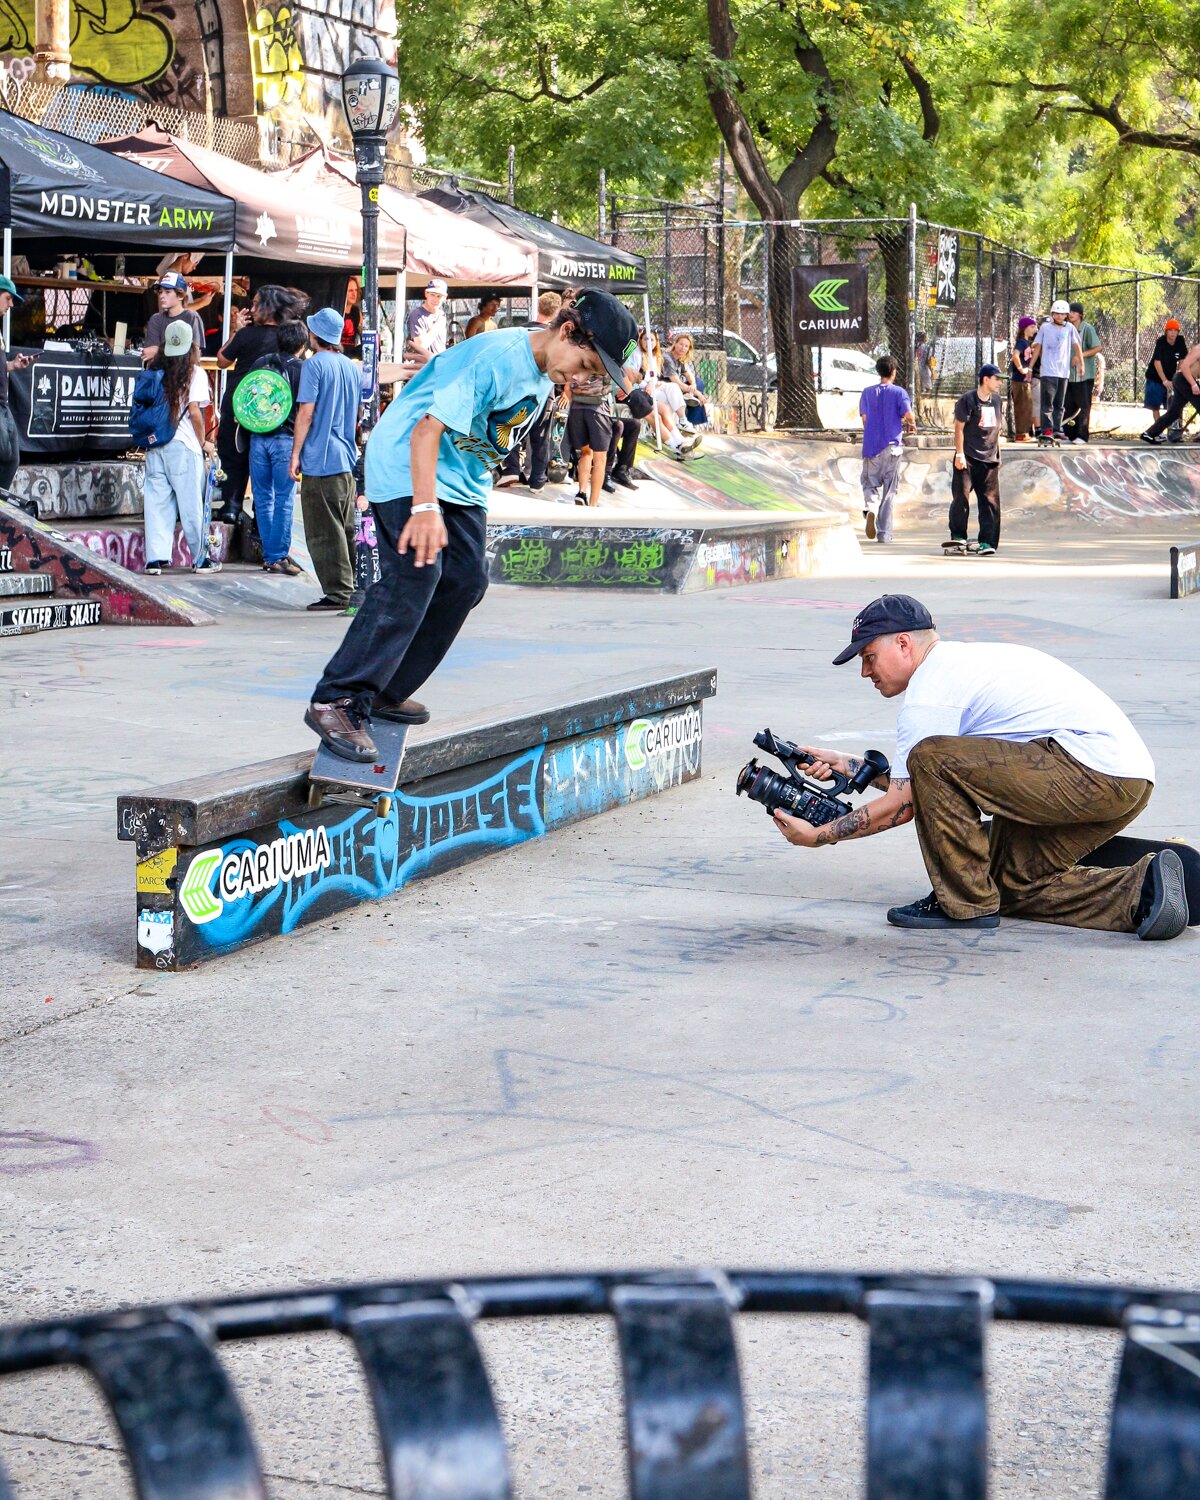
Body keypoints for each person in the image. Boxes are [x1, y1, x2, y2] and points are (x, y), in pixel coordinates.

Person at [304, 288, 639, 761]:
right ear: (566, 331)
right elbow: (427, 429)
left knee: (466, 580)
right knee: (416, 573)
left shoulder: (542, 373)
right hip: (406, 462)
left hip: (460, 482)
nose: (581, 378)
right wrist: (424, 507)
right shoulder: (499, 357)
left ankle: (386, 689)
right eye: (584, 365)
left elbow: (481, 436)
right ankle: (336, 699)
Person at [771, 594, 1188, 941]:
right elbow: (933, 784)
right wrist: (850, 766)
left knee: (931, 757)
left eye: (869, 657)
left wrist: (818, 836)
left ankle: (964, 904)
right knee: (1013, 885)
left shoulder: (931, 689)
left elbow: (906, 802)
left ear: (903, 644)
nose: (865, 672)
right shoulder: (962, 665)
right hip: (1126, 778)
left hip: (1087, 771)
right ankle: (1144, 891)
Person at [289, 307, 362, 611]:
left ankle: (338, 591)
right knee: (345, 528)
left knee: (323, 530)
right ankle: (351, 585)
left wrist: (295, 454)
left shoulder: (313, 365)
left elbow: (306, 412)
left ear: (315, 334)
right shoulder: (351, 367)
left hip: (320, 457)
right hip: (346, 456)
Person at [214, 284, 299, 524]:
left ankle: (231, 506)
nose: (251, 309)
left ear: (267, 307)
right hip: (273, 407)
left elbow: (222, 360)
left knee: (233, 453)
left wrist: (236, 331)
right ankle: (262, 518)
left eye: (254, 304)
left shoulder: (246, 335)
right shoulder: (286, 336)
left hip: (241, 401)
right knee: (264, 459)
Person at [141, 322, 220, 576]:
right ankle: (200, 559)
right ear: (191, 346)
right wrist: (203, 442)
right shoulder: (195, 373)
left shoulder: (154, 370)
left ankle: (155, 560)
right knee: (191, 505)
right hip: (184, 446)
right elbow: (195, 412)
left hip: (155, 445)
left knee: (156, 504)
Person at [247, 319, 307, 576]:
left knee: (263, 498)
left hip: (257, 437)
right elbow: (306, 410)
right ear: (302, 345)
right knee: (284, 498)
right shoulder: (302, 369)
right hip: (285, 439)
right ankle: (277, 556)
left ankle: (270, 556)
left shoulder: (260, 364)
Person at [947, 364, 1004, 556]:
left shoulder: (997, 401)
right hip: (968, 457)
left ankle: (987, 542)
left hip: (989, 458)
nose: (999, 383)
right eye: (996, 379)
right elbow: (959, 428)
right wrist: (959, 454)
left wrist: (999, 454)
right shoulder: (968, 400)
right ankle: (958, 536)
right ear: (985, 379)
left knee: (990, 502)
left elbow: (997, 429)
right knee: (961, 498)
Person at [858, 355, 915, 544]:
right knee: (890, 491)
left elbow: (865, 419)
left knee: (869, 484)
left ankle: (871, 508)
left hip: (871, 447)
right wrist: (911, 424)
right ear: (893, 372)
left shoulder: (867, 392)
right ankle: (884, 534)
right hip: (893, 448)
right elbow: (908, 414)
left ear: (879, 371)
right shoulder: (899, 392)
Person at [0, 276, 35, 490]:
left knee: (12, 457)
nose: (11, 304)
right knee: (3, 452)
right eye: (8, 298)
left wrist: (12, 365)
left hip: (3, 403)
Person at [1029, 300, 1084, 439]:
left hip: (1063, 372)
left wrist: (1081, 364)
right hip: (1048, 371)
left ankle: (1057, 428)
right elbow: (1038, 347)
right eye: (1057, 313)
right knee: (1047, 403)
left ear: (1066, 315)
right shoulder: (1045, 328)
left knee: (1059, 403)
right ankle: (1047, 430)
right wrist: (1030, 368)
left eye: (1062, 314)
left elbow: (1077, 346)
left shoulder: (1069, 328)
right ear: (1052, 314)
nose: (1059, 316)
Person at [565, 367, 613, 506]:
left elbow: (568, 386)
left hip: (577, 408)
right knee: (600, 460)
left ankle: (582, 492)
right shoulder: (608, 359)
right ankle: (593, 504)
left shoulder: (578, 358)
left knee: (585, 453)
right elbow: (626, 386)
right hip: (599, 409)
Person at [1141, 342, 1200, 444]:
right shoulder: (1198, 349)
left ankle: (1149, 434)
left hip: (1185, 380)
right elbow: (1184, 366)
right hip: (1183, 379)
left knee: (1173, 413)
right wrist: (1193, 384)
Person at [141, 273, 206, 364]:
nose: (161, 296)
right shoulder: (156, 319)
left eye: (167, 292)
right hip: (161, 370)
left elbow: (194, 353)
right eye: (160, 292)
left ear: (180, 295)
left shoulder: (192, 317)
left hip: (185, 370)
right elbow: (150, 354)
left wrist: (158, 351)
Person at [1063, 302, 1103, 444]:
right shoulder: (1066, 328)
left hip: (1084, 375)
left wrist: (1080, 356)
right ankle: (1069, 435)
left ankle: (1082, 436)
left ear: (1080, 314)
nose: (1070, 314)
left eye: (1074, 312)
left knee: (1084, 405)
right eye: (1069, 312)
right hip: (1068, 374)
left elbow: (1097, 347)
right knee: (1069, 405)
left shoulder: (1087, 329)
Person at [1142, 319, 1188, 424]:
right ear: (1166, 331)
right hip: (1156, 377)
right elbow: (1157, 362)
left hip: (1171, 377)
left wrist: (1177, 377)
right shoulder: (1161, 342)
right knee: (1155, 406)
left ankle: (1173, 428)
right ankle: (1158, 428)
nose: (1173, 333)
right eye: (1170, 330)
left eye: (1175, 330)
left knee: (1173, 404)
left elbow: (1182, 360)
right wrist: (1164, 380)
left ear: (1178, 332)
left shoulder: (1180, 341)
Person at [663, 333, 707, 427]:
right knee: (698, 392)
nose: (683, 348)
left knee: (698, 382)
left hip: (680, 386)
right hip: (669, 387)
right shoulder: (667, 359)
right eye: (681, 344)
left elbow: (689, 375)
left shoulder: (680, 358)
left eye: (686, 346)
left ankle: (689, 398)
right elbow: (676, 382)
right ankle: (690, 422)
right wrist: (697, 393)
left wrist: (693, 385)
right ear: (675, 343)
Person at [405, 279, 449, 367]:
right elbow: (421, 345)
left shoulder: (441, 315)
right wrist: (437, 326)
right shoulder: (417, 314)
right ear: (426, 294)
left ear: (445, 298)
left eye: (439, 296)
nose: (435, 299)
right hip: (423, 367)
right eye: (432, 295)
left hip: (440, 365)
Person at [1009, 316, 1036, 440]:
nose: (1034, 329)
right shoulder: (1021, 342)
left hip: (1025, 381)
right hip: (1019, 381)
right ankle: (1021, 434)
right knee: (1022, 407)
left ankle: (1025, 432)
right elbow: (1015, 355)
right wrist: (1021, 369)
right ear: (1025, 328)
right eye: (1032, 327)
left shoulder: (1026, 343)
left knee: (1027, 407)